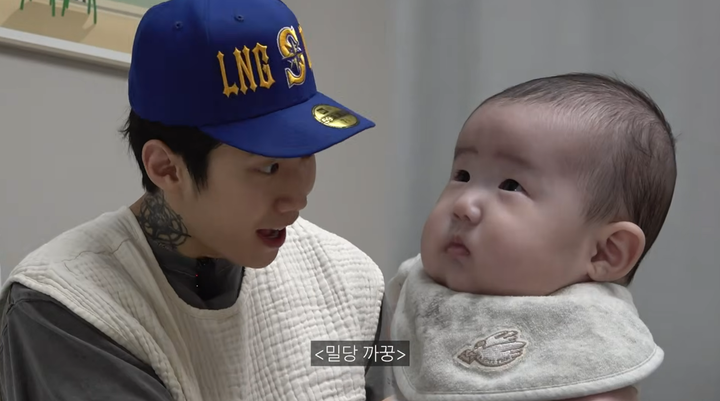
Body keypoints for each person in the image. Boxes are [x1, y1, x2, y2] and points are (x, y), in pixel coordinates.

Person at [0, 0, 386, 400]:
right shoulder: (64, 310)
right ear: (166, 167)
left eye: (306, 154)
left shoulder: (351, 280)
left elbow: (398, 373)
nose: (298, 199)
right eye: (270, 167)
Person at [376, 73, 675, 401]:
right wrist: (333, 357)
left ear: (605, 252)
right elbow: (389, 358)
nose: (463, 205)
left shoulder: (588, 340)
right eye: (462, 175)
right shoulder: (419, 291)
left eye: (511, 186)